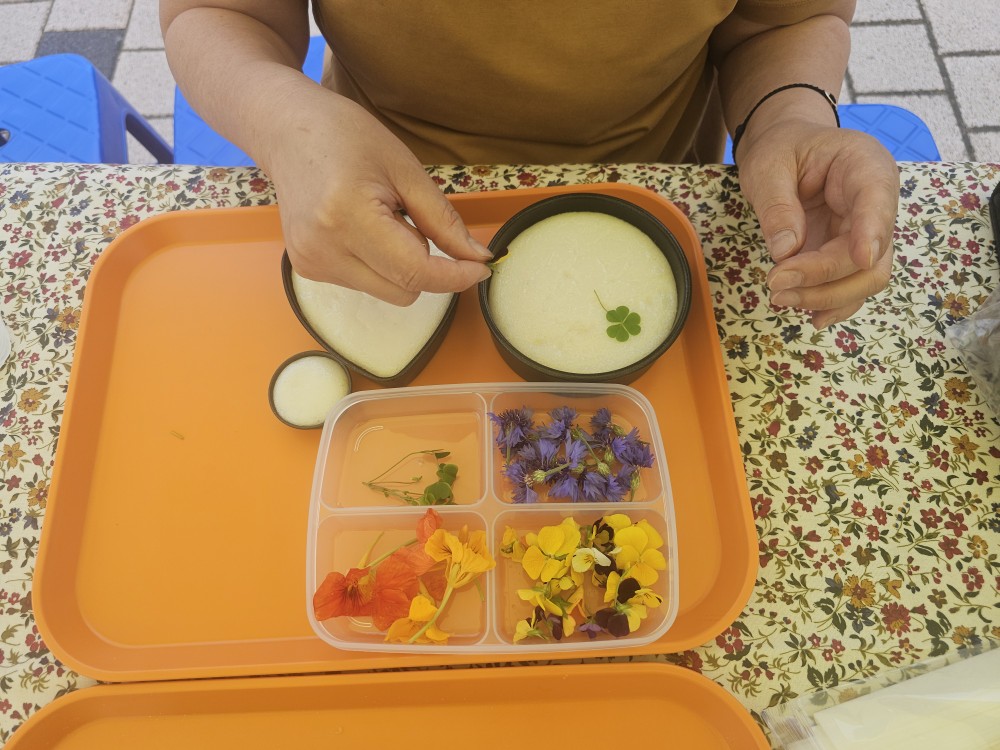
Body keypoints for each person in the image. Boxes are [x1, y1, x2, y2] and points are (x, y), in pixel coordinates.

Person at [161, 0, 898, 329]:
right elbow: (219, 14)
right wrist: (288, 127)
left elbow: (784, 19)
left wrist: (788, 122)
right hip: (369, 210)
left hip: (654, 204)